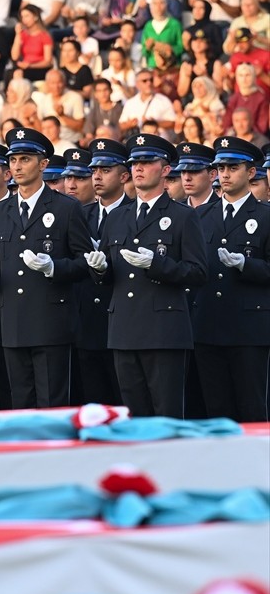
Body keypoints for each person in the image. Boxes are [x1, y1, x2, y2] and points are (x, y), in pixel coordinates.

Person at [0, 127, 93, 409]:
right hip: (13, 322)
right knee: (21, 404)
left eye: (25, 159)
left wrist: (54, 268)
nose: (17, 166)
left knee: (52, 404)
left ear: (43, 164)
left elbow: (85, 262)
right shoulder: (1, 211)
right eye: (13, 160)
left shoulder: (65, 208)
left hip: (51, 322)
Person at [85, 135, 206, 418]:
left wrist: (157, 264)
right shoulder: (118, 217)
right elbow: (109, 275)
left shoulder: (182, 216)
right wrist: (99, 269)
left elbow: (199, 272)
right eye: (135, 163)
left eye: (147, 162)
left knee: (166, 415)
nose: (138, 168)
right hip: (124, 329)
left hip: (163, 330)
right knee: (134, 415)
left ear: (166, 170)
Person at [192, 137, 269, 423]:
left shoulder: (265, 215)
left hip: (248, 330)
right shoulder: (201, 215)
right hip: (208, 326)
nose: (225, 174)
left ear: (251, 172)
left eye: (233, 168)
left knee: (252, 409)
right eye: (221, 168)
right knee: (216, 411)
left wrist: (247, 265)